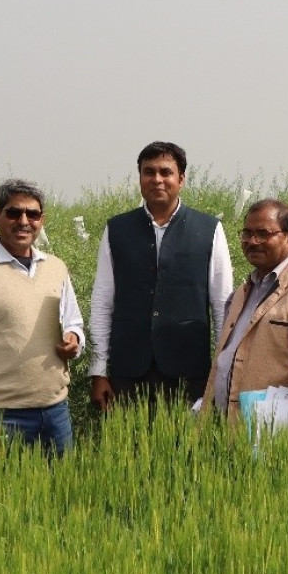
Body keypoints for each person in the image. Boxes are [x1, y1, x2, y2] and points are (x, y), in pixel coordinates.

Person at [88, 141, 234, 412]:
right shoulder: (117, 229)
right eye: (149, 172)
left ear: (181, 178)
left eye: (166, 172)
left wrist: (219, 375)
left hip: (189, 373)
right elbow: (102, 301)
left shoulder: (209, 229)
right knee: (127, 449)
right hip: (128, 372)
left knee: (187, 451)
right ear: (140, 177)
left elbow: (222, 305)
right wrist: (98, 370)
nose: (157, 179)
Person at [0, 180, 85, 455]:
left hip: (56, 413)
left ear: (42, 220)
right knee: (0, 496)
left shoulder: (56, 268)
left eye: (32, 214)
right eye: (14, 213)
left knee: (60, 495)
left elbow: (74, 323)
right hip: (2, 417)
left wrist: (74, 341)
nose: (23, 221)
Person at [201, 200, 288, 425]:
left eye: (263, 234)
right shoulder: (240, 295)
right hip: (228, 434)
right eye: (247, 233)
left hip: (275, 440)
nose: (252, 242)